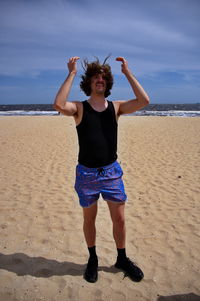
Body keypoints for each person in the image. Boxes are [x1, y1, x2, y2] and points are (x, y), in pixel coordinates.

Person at [53, 55, 150, 283]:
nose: (100, 80)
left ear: (107, 83)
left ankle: (122, 259)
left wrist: (127, 72)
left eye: (104, 77)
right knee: (90, 220)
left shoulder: (115, 108)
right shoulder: (79, 108)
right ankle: (93, 259)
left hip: (111, 173)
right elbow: (58, 104)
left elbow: (144, 100)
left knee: (120, 220)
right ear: (89, 82)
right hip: (86, 174)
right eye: (96, 77)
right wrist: (71, 72)